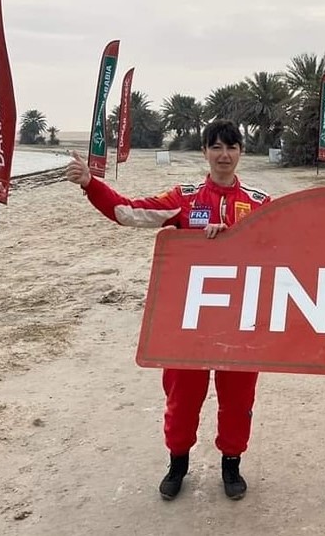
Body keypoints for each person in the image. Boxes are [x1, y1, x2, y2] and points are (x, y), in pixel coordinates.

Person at [65, 119, 271, 502]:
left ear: (242, 152)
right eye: (216, 147)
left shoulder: (261, 204)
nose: (224, 155)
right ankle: (178, 464)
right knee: (182, 398)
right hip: (188, 323)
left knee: (239, 400)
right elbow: (128, 212)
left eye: (232, 147)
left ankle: (232, 464)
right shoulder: (185, 198)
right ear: (205, 152)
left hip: (241, 323)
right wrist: (90, 185)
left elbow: (293, 247)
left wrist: (239, 240)